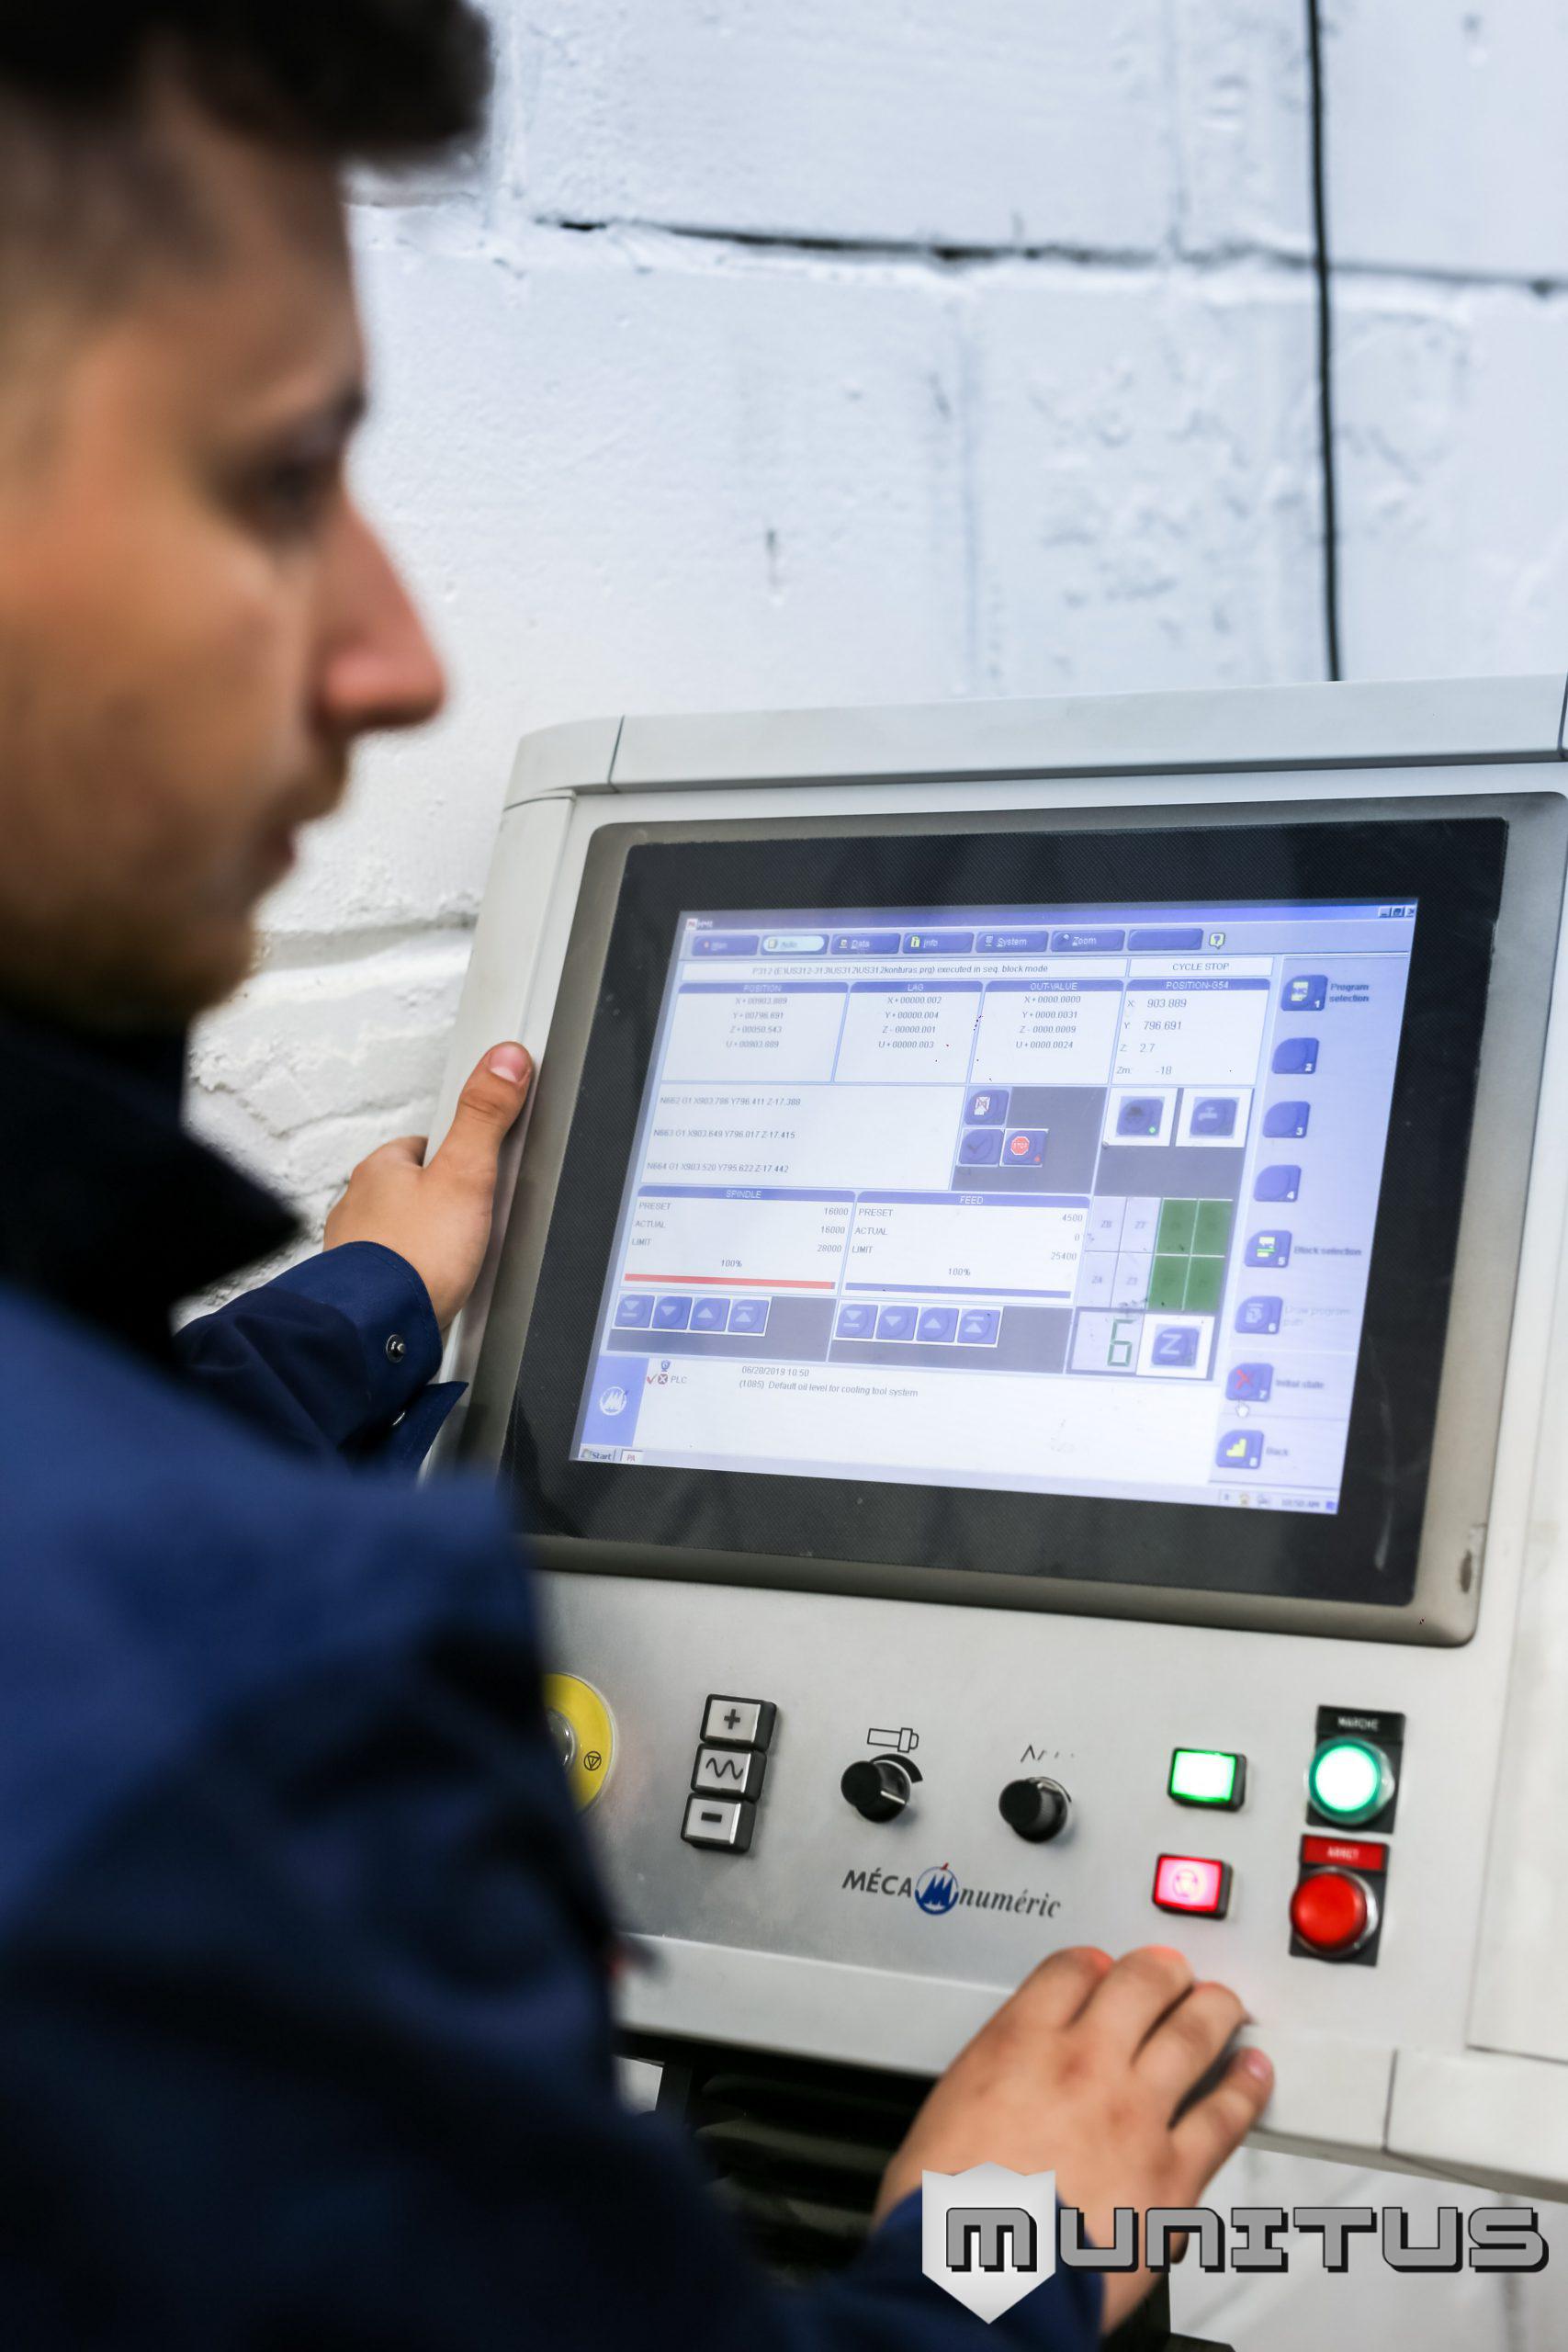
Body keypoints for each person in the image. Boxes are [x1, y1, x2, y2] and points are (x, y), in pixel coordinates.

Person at [0, 6, 1274, 2345]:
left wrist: (364, 1304)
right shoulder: (249, 1720)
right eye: (278, 480)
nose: (394, 654)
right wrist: (1003, 2247)